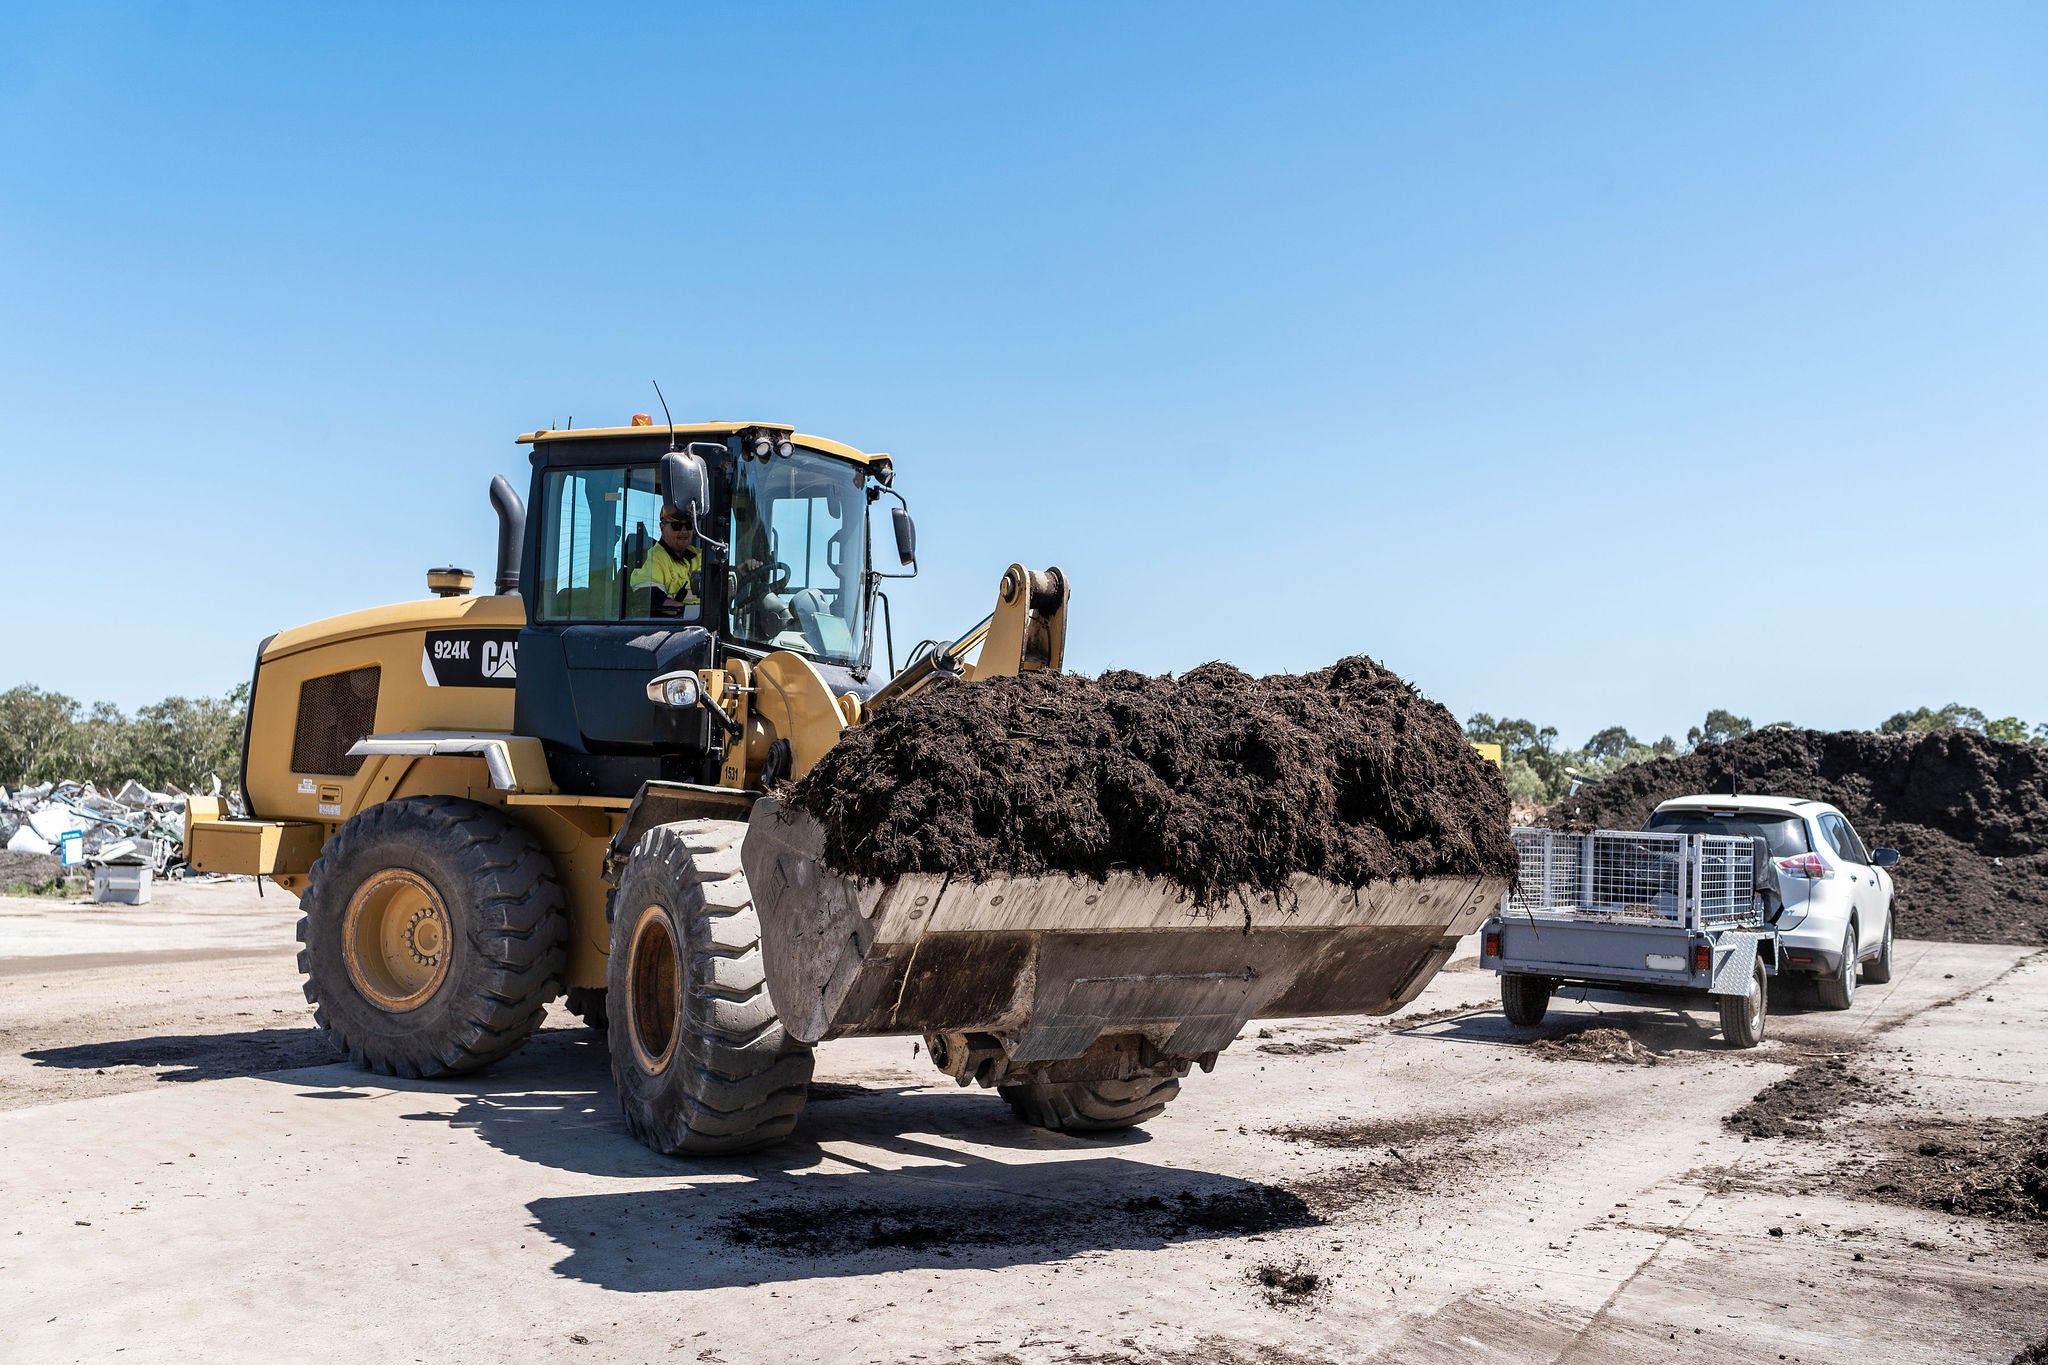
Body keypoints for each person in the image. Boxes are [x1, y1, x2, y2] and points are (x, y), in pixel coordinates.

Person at [629, 508, 703, 617]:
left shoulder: (701, 556)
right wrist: (691, 613)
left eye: (688, 525)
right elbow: (647, 598)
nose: (684, 531)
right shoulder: (653, 558)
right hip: (674, 629)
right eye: (676, 526)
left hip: (704, 626)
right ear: (662, 527)